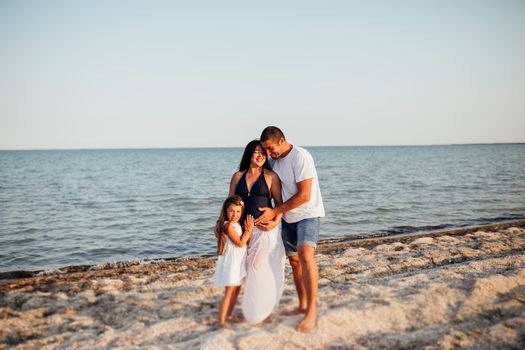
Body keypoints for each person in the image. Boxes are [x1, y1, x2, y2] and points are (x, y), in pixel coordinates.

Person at [255, 126, 325, 333]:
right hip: (288, 217)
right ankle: (302, 305)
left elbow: (304, 195)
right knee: (294, 261)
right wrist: (276, 217)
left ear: (282, 140)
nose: (268, 153)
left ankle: (312, 311)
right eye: (265, 150)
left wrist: (276, 211)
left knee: (305, 255)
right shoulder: (274, 162)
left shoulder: (301, 156)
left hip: (308, 214)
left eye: (270, 148)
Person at [227, 140, 286, 324]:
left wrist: (274, 222)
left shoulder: (271, 177)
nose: (260, 155)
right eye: (256, 152)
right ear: (249, 154)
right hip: (243, 231)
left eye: (263, 152)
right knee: (245, 270)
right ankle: (259, 309)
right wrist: (221, 223)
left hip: (264, 231)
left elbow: (280, 204)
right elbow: (229, 203)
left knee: (256, 268)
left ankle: (260, 313)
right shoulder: (237, 176)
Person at [214, 195, 254, 328]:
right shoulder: (227, 226)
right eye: (231, 211)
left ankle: (229, 314)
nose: (235, 214)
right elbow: (240, 242)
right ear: (225, 211)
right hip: (231, 263)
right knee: (229, 291)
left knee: (236, 290)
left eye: (238, 211)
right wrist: (249, 229)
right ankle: (221, 321)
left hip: (238, 262)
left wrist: (246, 230)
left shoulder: (236, 224)